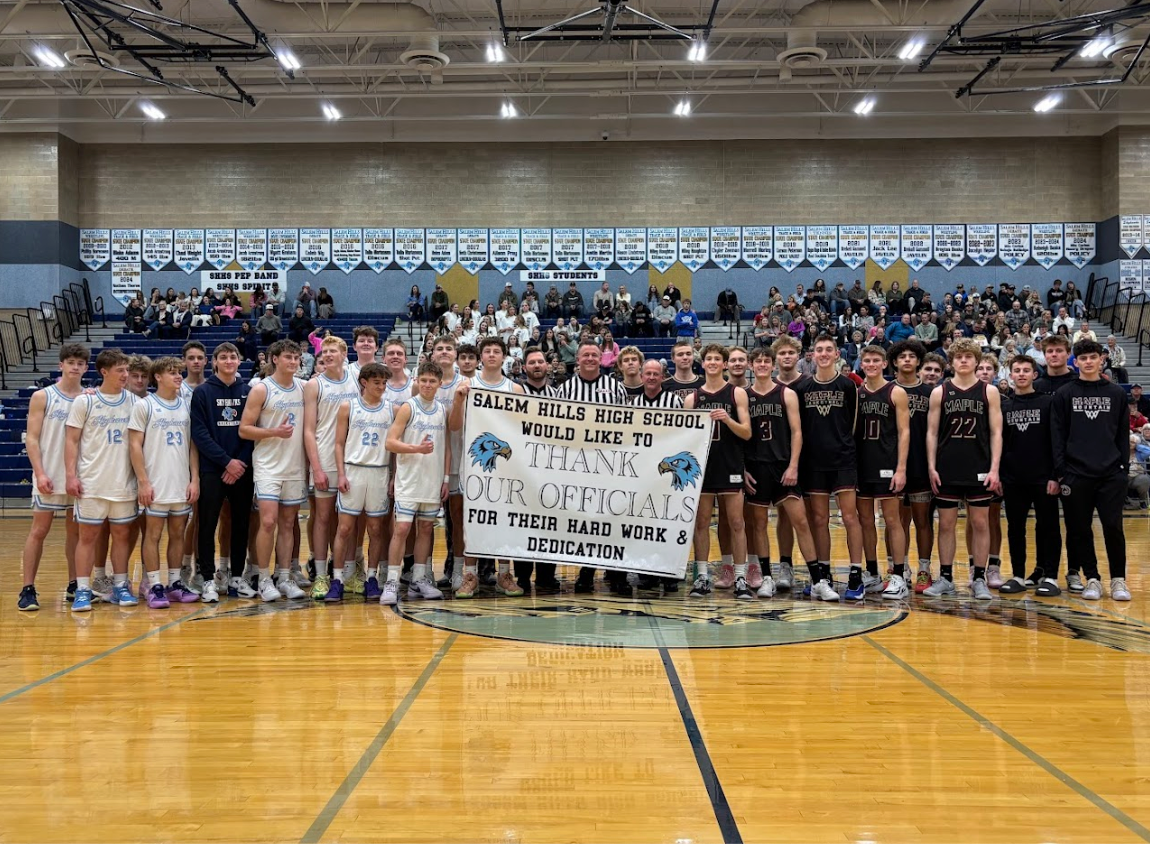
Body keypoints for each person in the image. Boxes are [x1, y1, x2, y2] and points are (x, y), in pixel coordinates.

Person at [1051, 339, 1131, 601]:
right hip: (1076, 473)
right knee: (1080, 529)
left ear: (1101, 359)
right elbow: (1058, 434)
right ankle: (1092, 579)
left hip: (1110, 473)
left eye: (1092, 357)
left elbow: (1122, 433)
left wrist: (1123, 467)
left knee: (1113, 526)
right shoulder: (1065, 393)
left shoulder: (1116, 393)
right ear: (1076, 361)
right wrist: (1062, 471)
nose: (1087, 362)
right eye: (1082, 358)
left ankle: (1119, 579)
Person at [925, 338, 1002, 600]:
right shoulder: (940, 392)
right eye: (959, 357)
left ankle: (978, 578)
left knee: (980, 522)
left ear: (977, 360)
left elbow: (996, 432)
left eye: (969, 356)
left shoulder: (989, 391)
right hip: (947, 466)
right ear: (952, 362)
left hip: (979, 466)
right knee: (945, 524)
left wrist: (994, 469)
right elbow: (932, 433)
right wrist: (932, 467)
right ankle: (945, 577)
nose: (964, 360)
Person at [449, 337, 526, 598]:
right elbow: (455, 426)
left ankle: (504, 573)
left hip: (505, 467)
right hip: (473, 465)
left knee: (504, 519)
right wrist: (459, 401)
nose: (492, 355)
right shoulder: (467, 385)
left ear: (504, 356)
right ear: (481, 357)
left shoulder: (515, 389)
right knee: (472, 520)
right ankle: (470, 574)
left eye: (497, 351)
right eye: (487, 351)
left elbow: (522, 431)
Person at [64, 349, 139, 612]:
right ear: (104, 372)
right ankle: (83, 590)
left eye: (126, 370)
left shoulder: (134, 401)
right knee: (88, 537)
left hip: (123, 483)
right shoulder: (85, 402)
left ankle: (120, 585)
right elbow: (71, 441)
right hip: (92, 482)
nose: (125, 375)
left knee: (121, 535)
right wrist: (71, 476)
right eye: (120, 370)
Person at [791, 335, 864, 601]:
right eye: (818, 350)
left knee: (850, 517)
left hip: (843, 459)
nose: (823, 354)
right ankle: (823, 573)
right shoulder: (802, 388)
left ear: (836, 354)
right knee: (819, 520)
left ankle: (856, 573)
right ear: (812, 355)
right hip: (813, 462)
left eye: (828, 350)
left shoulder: (848, 385)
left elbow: (853, 424)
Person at [742, 346, 818, 601]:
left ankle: (817, 579)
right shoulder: (743, 395)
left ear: (772, 365)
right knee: (759, 525)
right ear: (751, 366)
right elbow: (738, 438)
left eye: (766, 361)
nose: (762, 365)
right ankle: (766, 578)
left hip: (783, 466)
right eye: (758, 361)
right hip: (756, 468)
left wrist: (794, 465)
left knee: (801, 522)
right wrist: (742, 469)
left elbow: (797, 432)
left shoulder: (785, 394)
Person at [555, 340, 630, 594]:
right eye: (585, 354)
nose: (589, 358)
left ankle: (617, 573)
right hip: (579, 465)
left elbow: (628, 426)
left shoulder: (615, 387)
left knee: (613, 518)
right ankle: (586, 572)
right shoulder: (565, 389)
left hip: (610, 464)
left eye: (594, 355)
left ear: (602, 358)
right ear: (577, 359)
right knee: (587, 522)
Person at [17, 343, 89, 611]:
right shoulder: (43, 396)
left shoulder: (87, 398)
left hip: (77, 477)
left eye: (80, 363)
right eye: (70, 362)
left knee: (76, 533)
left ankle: (74, 584)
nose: (75, 367)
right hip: (48, 474)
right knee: (39, 531)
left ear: (85, 367)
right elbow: (32, 439)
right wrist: (39, 472)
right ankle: (27, 588)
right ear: (61, 365)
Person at [128, 357, 201, 606]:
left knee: (179, 533)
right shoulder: (145, 406)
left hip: (180, 482)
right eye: (172, 373)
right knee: (153, 535)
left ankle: (174, 583)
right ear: (157, 377)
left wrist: (195, 479)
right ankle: (154, 585)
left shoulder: (186, 405)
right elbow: (134, 446)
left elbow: (193, 446)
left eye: (179, 372)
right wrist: (143, 481)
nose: (178, 376)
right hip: (155, 483)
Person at [239, 339, 308, 603]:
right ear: (274, 359)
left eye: (296, 357)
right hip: (268, 466)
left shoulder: (304, 388)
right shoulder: (261, 389)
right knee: (268, 521)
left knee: (288, 524)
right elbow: (244, 429)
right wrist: (273, 432)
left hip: (295, 465)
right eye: (288, 357)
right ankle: (264, 578)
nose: (293, 362)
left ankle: (284, 577)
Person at [683, 345, 752, 598]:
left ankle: (741, 578)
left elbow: (747, 432)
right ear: (703, 364)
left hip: (731, 464)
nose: (712, 362)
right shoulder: (692, 399)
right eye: (708, 358)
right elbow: (684, 440)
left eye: (717, 359)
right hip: (702, 469)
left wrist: (727, 419)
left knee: (736, 522)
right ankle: (702, 576)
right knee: (701, 523)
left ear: (724, 365)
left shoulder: (737, 394)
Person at [380, 361, 450, 606]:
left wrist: (446, 478)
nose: (428, 385)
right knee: (401, 530)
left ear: (440, 384)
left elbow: (446, 446)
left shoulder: (442, 410)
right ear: (417, 381)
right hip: (409, 480)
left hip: (432, 480)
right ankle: (391, 581)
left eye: (433, 381)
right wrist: (416, 449)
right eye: (424, 380)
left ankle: (419, 579)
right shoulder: (408, 407)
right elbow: (390, 442)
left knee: (426, 530)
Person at [997, 354, 1062, 596]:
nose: (1021, 374)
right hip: (1013, 478)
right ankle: (1017, 575)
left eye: (1026, 370)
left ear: (1034, 375)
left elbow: (1057, 441)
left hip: (1044, 477)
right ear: (1010, 375)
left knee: (1049, 527)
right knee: (1015, 528)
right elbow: (1000, 443)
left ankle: (1051, 576)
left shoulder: (1047, 403)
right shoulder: (1005, 406)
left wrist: (1056, 475)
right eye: (1017, 370)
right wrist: (1002, 475)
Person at [304, 335, 364, 601]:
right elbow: (308, 430)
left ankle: (349, 574)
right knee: (323, 518)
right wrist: (316, 467)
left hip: (353, 459)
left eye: (332, 351)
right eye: (323, 351)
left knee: (349, 521)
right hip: (325, 460)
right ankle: (320, 575)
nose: (327, 355)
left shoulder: (356, 380)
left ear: (344, 353)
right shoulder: (314, 385)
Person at [328, 363, 393, 604]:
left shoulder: (391, 408)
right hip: (353, 471)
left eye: (384, 383)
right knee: (344, 529)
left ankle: (372, 578)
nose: (382, 387)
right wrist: (341, 474)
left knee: (375, 529)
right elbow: (338, 443)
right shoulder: (348, 406)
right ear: (364, 382)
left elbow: (394, 446)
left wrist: (394, 476)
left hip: (379, 472)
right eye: (377, 382)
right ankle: (337, 579)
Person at [854, 345, 910, 600]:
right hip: (862, 465)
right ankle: (873, 573)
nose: (872, 364)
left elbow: (904, 432)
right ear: (862, 364)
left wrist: (901, 469)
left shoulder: (896, 392)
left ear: (885, 364)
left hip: (888, 464)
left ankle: (898, 575)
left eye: (876, 360)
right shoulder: (856, 394)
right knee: (865, 521)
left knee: (892, 520)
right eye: (867, 360)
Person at [887, 341, 936, 593]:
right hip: (890, 465)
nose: (907, 360)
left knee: (923, 520)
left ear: (918, 362)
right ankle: (897, 567)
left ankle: (924, 569)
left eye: (911, 356)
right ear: (894, 362)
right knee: (895, 521)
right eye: (902, 356)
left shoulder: (931, 393)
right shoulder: (885, 390)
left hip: (920, 465)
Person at [662, 338, 705, 403]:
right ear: (673, 358)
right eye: (680, 354)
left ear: (693, 356)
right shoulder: (663, 386)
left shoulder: (704, 384)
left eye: (688, 354)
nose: (685, 357)